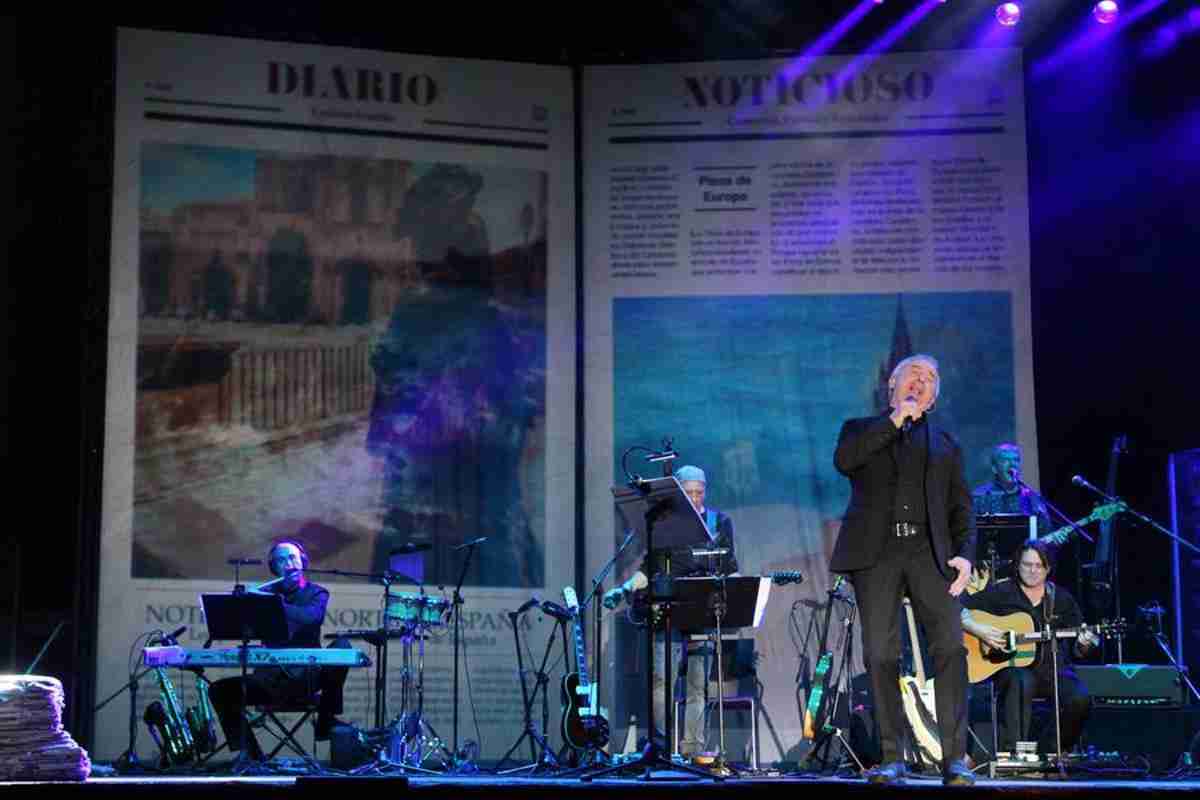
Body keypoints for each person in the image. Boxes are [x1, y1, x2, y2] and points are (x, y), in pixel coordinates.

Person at [830, 354, 976, 786]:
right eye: (913, 373)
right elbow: (845, 462)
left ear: (933, 399)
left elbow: (962, 505)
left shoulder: (945, 443)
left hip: (930, 552)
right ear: (892, 385)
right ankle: (892, 756)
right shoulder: (860, 429)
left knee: (950, 648)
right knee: (881, 653)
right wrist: (895, 422)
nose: (921, 381)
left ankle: (954, 759)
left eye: (930, 378)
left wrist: (965, 554)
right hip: (877, 553)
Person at [602, 465, 738, 758]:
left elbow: (730, 567)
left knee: (698, 685)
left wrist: (744, 594)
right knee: (662, 681)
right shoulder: (664, 525)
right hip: (669, 611)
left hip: (702, 612)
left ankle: (693, 749)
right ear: (678, 495)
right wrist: (623, 590)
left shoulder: (720, 522)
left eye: (699, 493)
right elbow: (648, 569)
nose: (695, 498)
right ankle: (663, 747)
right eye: (688, 493)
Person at [209, 539, 351, 761]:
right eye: (281, 560)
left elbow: (310, 618)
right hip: (269, 681)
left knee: (342, 646)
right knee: (220, 690)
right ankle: (252, 756)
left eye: (293, 558)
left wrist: (271, 603)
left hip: (305, 680)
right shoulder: (263, 595)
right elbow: (241, 627)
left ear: (303, 561)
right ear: (274, 568)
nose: (289, 564)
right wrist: (241, 605)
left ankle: (326, 719)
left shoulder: (317, 593)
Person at [961, 540, 1095, 756]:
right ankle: (1016, 753)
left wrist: (1084, 644)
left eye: (1039, 566)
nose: (1033, 571)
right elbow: (959, 608)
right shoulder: (1001, 592)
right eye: (1027, 564)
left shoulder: (1062, 599)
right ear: (1017, 565)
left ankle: (1052, 750)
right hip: (1011, 669)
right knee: (1022, 681)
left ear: (1048, 568)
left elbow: (1079, 650)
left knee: (1080, 698)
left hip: (1053, 670)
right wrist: (980, 630)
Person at [972, 443, 1052, 534]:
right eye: (1005, 460)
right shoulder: (980, 497)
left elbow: (1046, 531)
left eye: (1016, 460)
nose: (1012, 464)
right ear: (994, 468)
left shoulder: (1032, 498)